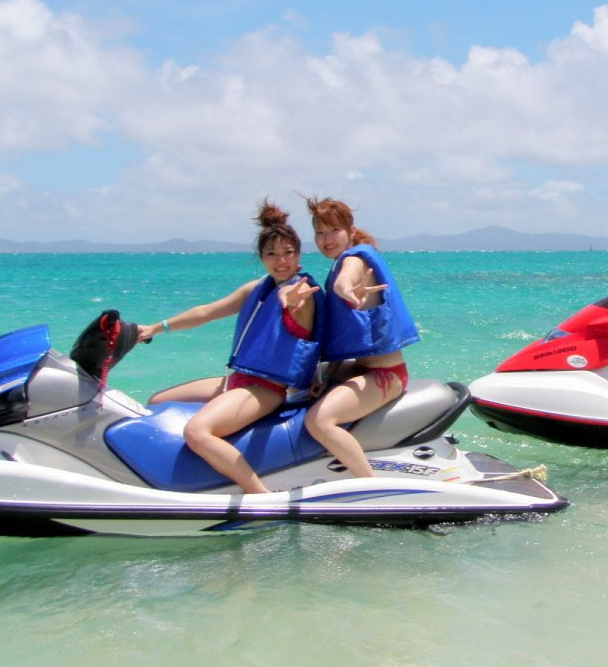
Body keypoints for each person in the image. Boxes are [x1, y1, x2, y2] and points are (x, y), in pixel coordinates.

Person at [139, 200, 321, 494]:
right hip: (236, 381)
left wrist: (292, 302)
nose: (281, 261)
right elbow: (206, 312)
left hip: (266, 389)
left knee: (197, 432)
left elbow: (294, 303)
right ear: (262, 258)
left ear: (299, 255)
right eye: (272, 254)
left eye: (288, 252)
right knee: (156, 400)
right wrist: (155, 328)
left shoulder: (302, 292)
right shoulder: (258, 289)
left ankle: (259, 495)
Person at [302, 196, 420, 478]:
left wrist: (345, 290)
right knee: (301, 384)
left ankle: (370, 482)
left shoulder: (353, 259)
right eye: (320, 232)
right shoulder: (340, 262)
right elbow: (342, 339)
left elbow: (347, 279)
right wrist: (327, 375)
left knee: (319, 422)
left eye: (334, 230)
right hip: (362, 370)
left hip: (386, 376)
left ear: (350, 231)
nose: (327, 239)